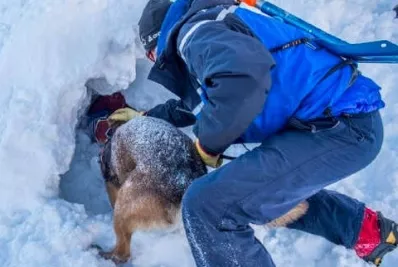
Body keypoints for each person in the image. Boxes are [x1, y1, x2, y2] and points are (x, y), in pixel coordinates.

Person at [93, 0, 398, 266]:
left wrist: (209, 145)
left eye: (151, 55)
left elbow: (242, 82)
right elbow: (208, 100)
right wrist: (148, 116)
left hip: (342, 127)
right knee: (246, 190)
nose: (155, 62)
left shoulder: (193, 34)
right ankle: (367, 230)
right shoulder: (212, 27)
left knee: (209, 205)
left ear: (159, 40)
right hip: (332, 123)